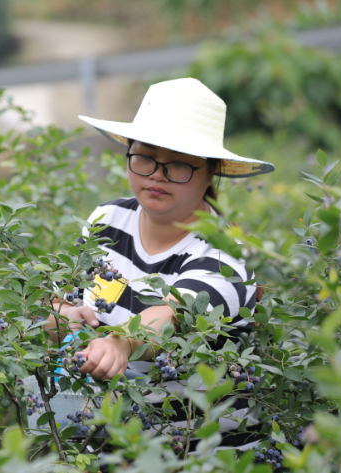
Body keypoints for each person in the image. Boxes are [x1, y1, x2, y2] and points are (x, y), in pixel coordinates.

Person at [45, 78, 275, 447]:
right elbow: (69, 299)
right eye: (145, 157)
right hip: (108, 444)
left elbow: (174, 313)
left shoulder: (226, 254)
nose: (156, 174)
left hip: (201, 455)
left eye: (179, 165)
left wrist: (122, 342)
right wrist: (63, 316)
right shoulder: (107, 220)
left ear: (209, 173)